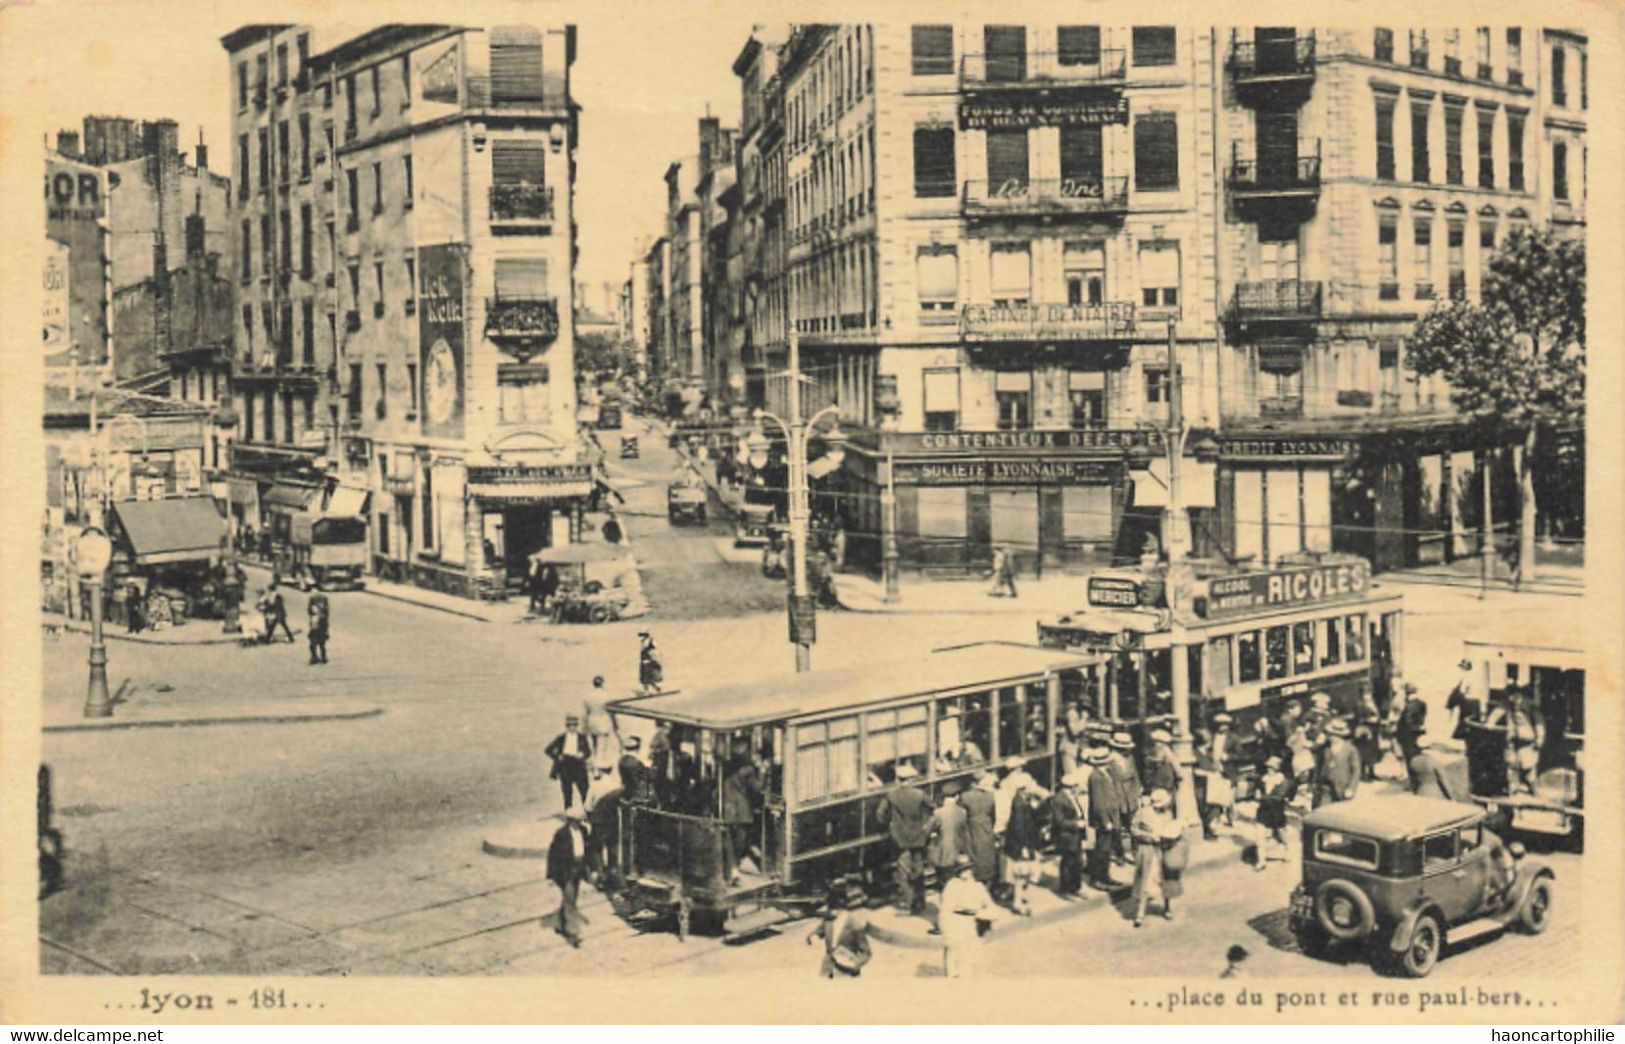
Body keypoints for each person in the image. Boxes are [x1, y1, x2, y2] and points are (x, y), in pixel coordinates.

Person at [877, 763, 933, 915]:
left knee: (903, 872)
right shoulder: (919, 794)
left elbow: (880, 815)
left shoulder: (891, 795)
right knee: (918, 870)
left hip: (900, 839)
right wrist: (923, 824)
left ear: (898, 779)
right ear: (911, 779)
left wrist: (890, 825)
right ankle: (920, 903)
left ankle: (909, 905)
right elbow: (932, 808)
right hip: (918, 837)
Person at [1131, 788, 1184, 927]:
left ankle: (1167, 908)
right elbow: (1134, 829)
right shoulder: (1142, 813)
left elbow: (1173, 828)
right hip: (1148, 850)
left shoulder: (1168, 814)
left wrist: (1175, 833)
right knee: (1145, 881)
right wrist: (1148, 837)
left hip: (1164, 850)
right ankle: (1140, 913)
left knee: (1166, 880)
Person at [938, 861, 1000, 979]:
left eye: (968, 869)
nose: (966, 873)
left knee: (971, 959)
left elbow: (992, 908)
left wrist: (984, 915)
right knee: (953, 955)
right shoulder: (952, 886)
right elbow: (945, 910)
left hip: (971, 924)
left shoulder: (978, 887)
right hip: (955, 922)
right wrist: (945, 929)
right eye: (962, 870)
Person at [545, 809, 596, 948]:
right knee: (570, 901)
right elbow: (552, 855)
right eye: (577, 820)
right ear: (570, 820)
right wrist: (550, 875)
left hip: (579, 869)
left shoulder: (584, 832)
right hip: (566, 871)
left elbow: (589, 851)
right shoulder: (561, 834)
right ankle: (573, 933)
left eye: (580, 820)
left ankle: (561, 924)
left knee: (571, 899)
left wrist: (592, 869)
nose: (579, 823)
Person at [806, 881, 872, 979]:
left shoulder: (854, 923)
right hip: (827, 971)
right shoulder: (828, 921)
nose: (831, 912)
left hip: (847, 972)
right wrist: (812, 938)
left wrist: (854, 963)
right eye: (830, 908)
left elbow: (866, 953)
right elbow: (812, 936)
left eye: (834, 909)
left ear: (842, 907)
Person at [1085, 746, 1125, 890]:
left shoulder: (1105, 773)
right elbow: (1098, 803)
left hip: (1111, 816)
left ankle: (1105, 876)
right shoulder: (1096, 777)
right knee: (1102, 850)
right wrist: (1105, 821)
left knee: (1107, 850)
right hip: (1104, 820)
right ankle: (1097, 878)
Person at [720, 747, 762, 884]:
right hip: (741, 812)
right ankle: (735, 869)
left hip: (728, 811)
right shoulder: (748, 771)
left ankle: (732, 870)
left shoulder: (727, 768)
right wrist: (763, 772)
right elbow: (757, 789)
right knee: (740, 841)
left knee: (730, 841)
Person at [1002, 782, 1043, 917]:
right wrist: (1024, 847)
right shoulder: (1020, 805)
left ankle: (1020, 898)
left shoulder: (1022, 802)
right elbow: (1019, 829)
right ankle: (1017, 902)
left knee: (1024, 874)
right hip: (1021, 846)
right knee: (1020, 874)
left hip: (1023, 845)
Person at [926, 784, 967, 917]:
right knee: (955, 882)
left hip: (943, 853)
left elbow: (927, 831)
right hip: (958, 851)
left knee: (944, 886)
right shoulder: (962, 812)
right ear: (957, 796)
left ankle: (945, 915)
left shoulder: (939, 813)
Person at [1050, 770, 1089, 898]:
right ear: (1069, 787)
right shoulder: (1059, 799)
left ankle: (1075, 887)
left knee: (1077, 862)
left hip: (1075, 836)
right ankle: (1065, 889)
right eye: (1075, 786)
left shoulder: (1072, 797)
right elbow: (1059, 821)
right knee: (1068, 863)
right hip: (1066, 836)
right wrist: (1076, 824)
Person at [959, 772, 999, 890]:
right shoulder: (990, 796)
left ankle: (975, 885)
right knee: (987, 856)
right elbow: (993, 816)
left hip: (972, 830)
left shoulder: (965, 796)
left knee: (973, 854)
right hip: (986, 828)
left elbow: (962, 816)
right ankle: (987, 885)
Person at [545, 715, 592, 811]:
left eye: (574, 725)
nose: (572, 727)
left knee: (584, 791)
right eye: (570, 725)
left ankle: (587, 812)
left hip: (578, 765)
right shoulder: (561, 738)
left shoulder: (582, 738)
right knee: (567, 793)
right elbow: (548, 749)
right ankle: (569, 814)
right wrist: (558, 756)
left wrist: (582, 755)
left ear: (577, 726)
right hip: (565, 766)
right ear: (567, 726)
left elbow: (588, 752)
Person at [1255, 756, 1294, 869]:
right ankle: (1261, 861)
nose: (1269, 770)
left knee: (1281, 834)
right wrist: (1258, 794)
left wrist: (1262, 797)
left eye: (1272, 768)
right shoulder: (1263, 779)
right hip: (1263, 811)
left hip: (1276, 812)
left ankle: (1288, 851)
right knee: (1260, 836)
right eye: (1268, 767)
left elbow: (1279, 798)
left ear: (1277, 769)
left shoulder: (1282, 782)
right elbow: (1257, 791)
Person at [1108, 732, 1141, 866]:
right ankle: (1118, 854)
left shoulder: (1130, 758)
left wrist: (1138, 792)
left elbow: (1136, 777)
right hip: (1117, 795)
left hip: (1131, 796)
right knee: (1117, 827)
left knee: (1133, 825)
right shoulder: (1110, 760)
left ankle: (1135, 852)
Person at [1317, 718, 1361, 806]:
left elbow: (1356, 771)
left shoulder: (1350, 749)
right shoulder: (1325, 747)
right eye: (1331, 735)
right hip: (1326, 787)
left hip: (1343, 787)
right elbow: (1318, 765)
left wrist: (1351, 788)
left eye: (1336, 735)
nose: (1332, 737)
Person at [1143, 728, 1180, 813]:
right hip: (1163, 782)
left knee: (1161, 803)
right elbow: (1176, 767)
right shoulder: (1164, 751)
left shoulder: (1158, 751)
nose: (1157, 744)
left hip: (1161, 782)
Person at [1447, 657, 1485, 740]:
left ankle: (1462, 734)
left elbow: (1463, 691)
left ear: (1464, 668)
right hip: (1476, 701)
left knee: (1465, 719)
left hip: (1468, 701)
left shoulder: (1466, 677)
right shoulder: (1476, 676)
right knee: (1473, 720)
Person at [1395, 681, 1429, 771]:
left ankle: (1413, 778)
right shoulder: (1422, 703)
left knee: (1409, 756)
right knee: (1416, 753)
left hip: (1407, 734)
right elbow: (1423, 717)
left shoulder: (1409, 705)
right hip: (1417, 732)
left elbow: (1407, 720)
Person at [617, 735, 652, 804]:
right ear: (637, 749)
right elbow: (649, 777)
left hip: (628, 791)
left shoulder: (622, 761)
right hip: (639, 794)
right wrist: (648, 767)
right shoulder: (635, 763)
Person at [306, 590, 330, 665]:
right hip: (316, 629)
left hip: (319, 629)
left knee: (319, 644)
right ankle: (318, 657)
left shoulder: (321, 616)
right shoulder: (318, 615)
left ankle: (320, 658)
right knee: (316, 644)